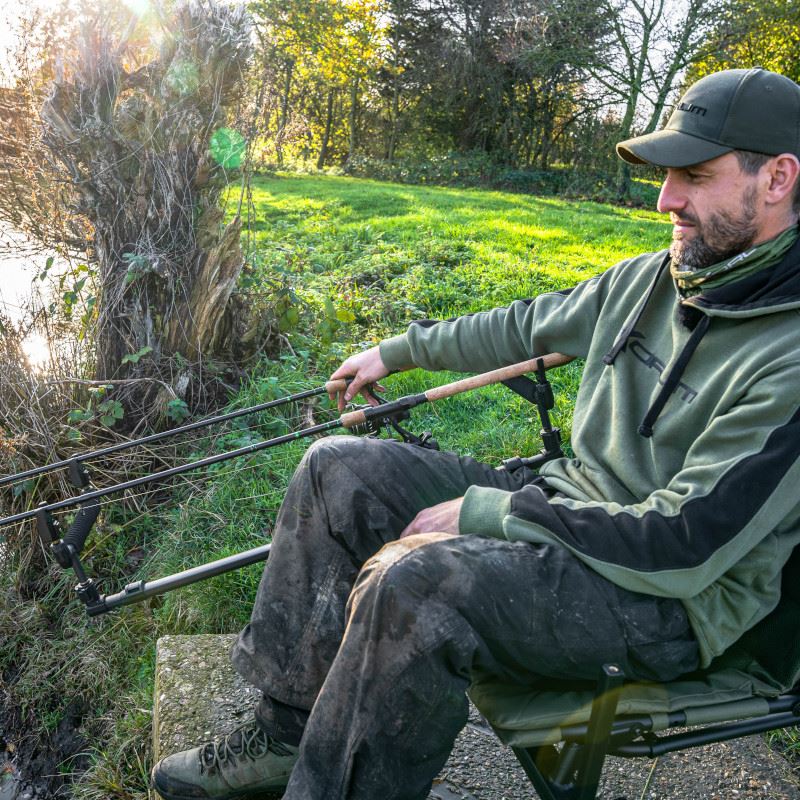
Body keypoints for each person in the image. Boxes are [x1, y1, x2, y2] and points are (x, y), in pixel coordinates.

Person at [151, 67, 800, 800]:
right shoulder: (655, 277)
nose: (666, 199)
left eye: (695, 176)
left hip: (671, 604)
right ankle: (284, 734)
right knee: (337, 471)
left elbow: (686, 544)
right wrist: (399, 350)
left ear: (777, 178)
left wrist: (490, 513)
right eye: (667, 175)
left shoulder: (790, 359)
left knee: (419, 588)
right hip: (571, 506)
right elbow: (525, 324)